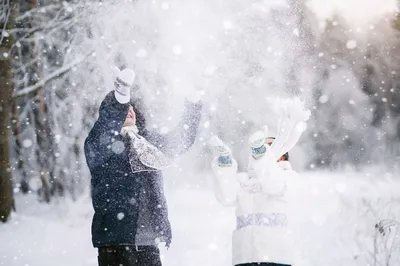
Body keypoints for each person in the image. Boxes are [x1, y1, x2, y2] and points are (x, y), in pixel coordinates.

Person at [84, 68, 202, 266]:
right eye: (123, 106)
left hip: (149, 245)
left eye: (130, 106)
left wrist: (193, 102)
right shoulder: (99, 145)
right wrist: (119, 99)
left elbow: (181, 139)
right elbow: (104, 127)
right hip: (116, 243)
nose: (128, 108)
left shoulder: (147, 144)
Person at [209, 98, 310, 266]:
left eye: (268, 148)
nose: (265, 152)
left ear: (283, 156)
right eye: (260, 148)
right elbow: (226, 197)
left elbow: (272, 183)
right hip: (244, 256)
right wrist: (225, 165)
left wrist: (263, 157)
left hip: (276, 256)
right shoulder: (245, 181)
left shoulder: (289, 177)